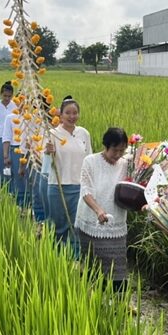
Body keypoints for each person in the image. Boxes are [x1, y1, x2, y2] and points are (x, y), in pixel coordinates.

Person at [75, 128, 129, 292]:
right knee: (94, 266)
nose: (118, 154)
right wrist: (98, 210)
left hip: (116, 222)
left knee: (118, 268)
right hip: (92, 221)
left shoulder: (126, 164)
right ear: (105, 146)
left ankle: (118, 305)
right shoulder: (90, 161)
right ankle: (91, 301)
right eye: (115, 150)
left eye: (122, 150)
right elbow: (85, 190)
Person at [45, 96, 91, 252]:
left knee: (78, 225)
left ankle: (77, 258)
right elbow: (44, 163)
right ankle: (58, 258)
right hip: (58, 186)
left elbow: (89, 159)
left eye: (75, 113)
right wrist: (47, 152)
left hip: (79, 187)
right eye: (68, 113)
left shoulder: (84, 133)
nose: (72, 117)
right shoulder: (52, 134)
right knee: (59, 226)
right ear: (61, 115)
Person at [0, 81, 17, 183]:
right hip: (0, 138)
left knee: (14, 163)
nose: (7, 99)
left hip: (14, 139)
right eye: (5, 96)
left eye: (9, 96)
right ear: (1, 94)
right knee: (3, 163)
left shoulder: (16, 106)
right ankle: (4, 185)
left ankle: (15, 187)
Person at [1, 107, 29, 207]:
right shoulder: (10, 118)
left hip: (31, 150)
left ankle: (31, 206)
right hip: (16, 149)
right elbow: (6, 137)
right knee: (19, 179)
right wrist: (6, 155)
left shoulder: (32, 118)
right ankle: (20, 205)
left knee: (30, 179)